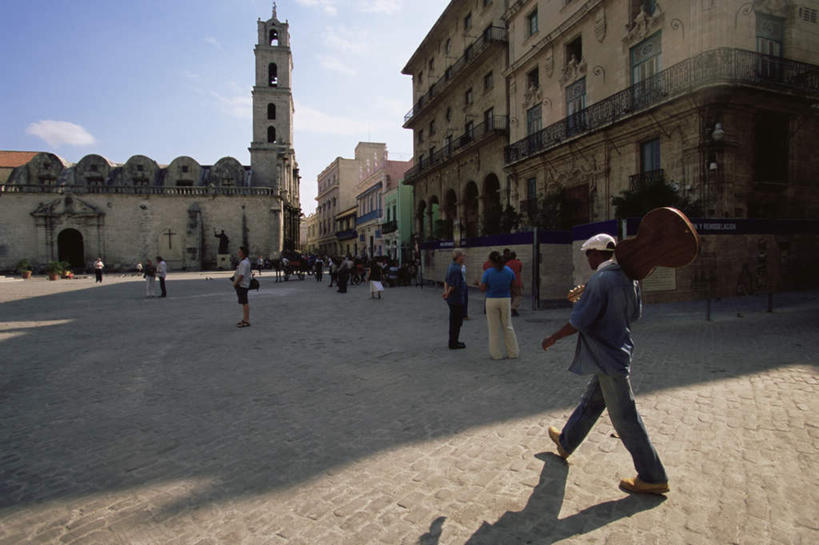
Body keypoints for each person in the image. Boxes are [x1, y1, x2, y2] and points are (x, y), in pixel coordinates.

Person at [541, 233, 669, 495]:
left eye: (588, 254)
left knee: (625, 418)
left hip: (607, 357)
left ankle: (653, 475)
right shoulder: (628, 278)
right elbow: (635, 313)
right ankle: (566, 442)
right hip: (616, 352)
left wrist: (553, 337)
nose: (587, 259)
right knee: (591, 402)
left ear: (597, 254)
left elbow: (579, 321)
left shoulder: (600, 280)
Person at [479, 251, 519, 360]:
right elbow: (514, 285)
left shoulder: (488, 272)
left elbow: (482, 288)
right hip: (505, 299)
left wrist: (478, 284)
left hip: (491, 299)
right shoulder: (509, 271)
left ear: (491, 261)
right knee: (508, 326)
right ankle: (513, 352)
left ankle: (496, 354)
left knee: (494, 328)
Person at [442, 249, 467, 349]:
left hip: (452, 298)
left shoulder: (451, 266)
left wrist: (445, 291)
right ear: (459, 257)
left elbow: (446, 280)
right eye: (463, 256)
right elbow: (453, 284)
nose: (464, 258)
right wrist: (447, 293)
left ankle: (453, 341)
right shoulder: (456, 269)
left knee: (454, 320)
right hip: (456, 298)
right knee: (456, 321)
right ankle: (454, 342)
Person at [233, 246, 252, 327]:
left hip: (242, 285)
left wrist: (235, 283)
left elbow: (241, 275)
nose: (238, 253)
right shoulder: (246, 261)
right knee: (244, 302)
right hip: (244, 284)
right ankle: (245, 319)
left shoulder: (243, 263)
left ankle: (246, 320)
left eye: (240, 252)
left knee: (244, 303)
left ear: (243, 253)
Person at [506, 251, 523, 316]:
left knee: (511, 296)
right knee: (518, 295)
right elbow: (520, 270)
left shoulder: (507, 264)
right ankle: (513, 308)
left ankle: (511, 309)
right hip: (517, 281)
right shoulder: (519, 263)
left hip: (509, 281)